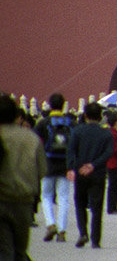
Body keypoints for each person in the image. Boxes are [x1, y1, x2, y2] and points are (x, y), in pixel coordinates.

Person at [0, 94, 46, 260]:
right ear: (16, 116)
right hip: (22, 201)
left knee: (4, 249)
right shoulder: (31, 138)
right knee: (20, 250)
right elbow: (41, 170)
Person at [67, 102, 113, 249]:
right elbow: (108, 152)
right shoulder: (106, 133)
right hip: (97, 172)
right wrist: (93, 165)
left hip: (80, 172)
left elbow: (71, 150)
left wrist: (72, 167)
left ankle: (83, 233)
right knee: (97, 206)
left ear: (85, 115)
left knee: (80, 203)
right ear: (100, 117)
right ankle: (95, 239)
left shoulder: (77, 131)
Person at [34, 92, 72, 243]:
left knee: (46, 196)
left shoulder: (43, 123)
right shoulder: (69, 122)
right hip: (65, 165)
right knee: (63, 198)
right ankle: (62, 231)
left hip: (47, 164)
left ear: (50, 105)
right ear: (63, 105)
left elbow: (36, 143)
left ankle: (50, 224)